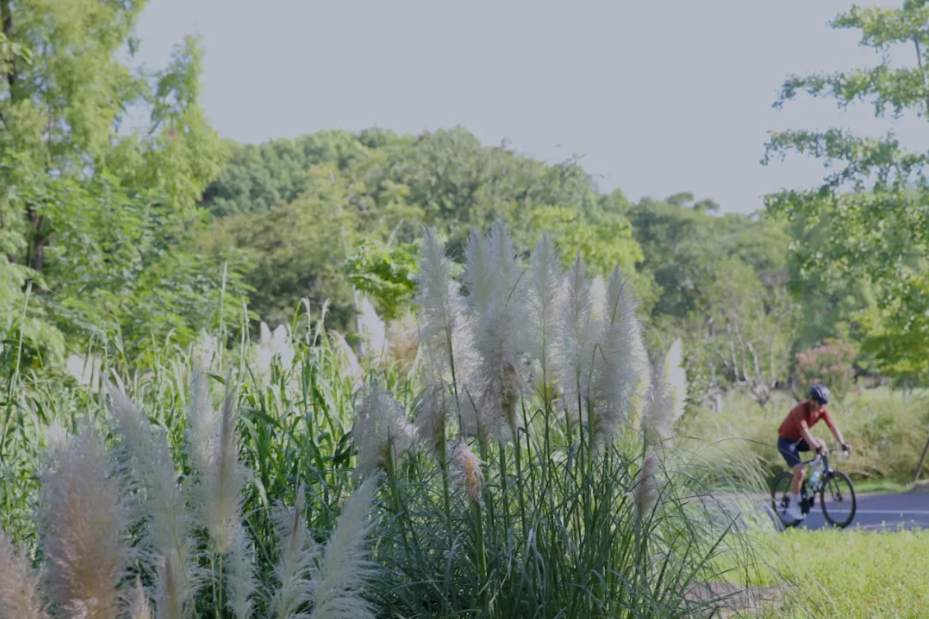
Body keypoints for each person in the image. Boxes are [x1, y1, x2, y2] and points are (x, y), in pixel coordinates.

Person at [777, 385, 851, 522]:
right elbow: (805, 432)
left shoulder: (821, 410)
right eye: (821, 402)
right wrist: (815, 447)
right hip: (786, 442)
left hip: (799, 440)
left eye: (825, 403)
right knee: (800, 472)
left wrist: (842, 443)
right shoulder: (800, 410)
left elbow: (832, 426)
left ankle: (815, 474)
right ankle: (793, 505)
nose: (823, 406)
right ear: (813, 400)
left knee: (821, 443)